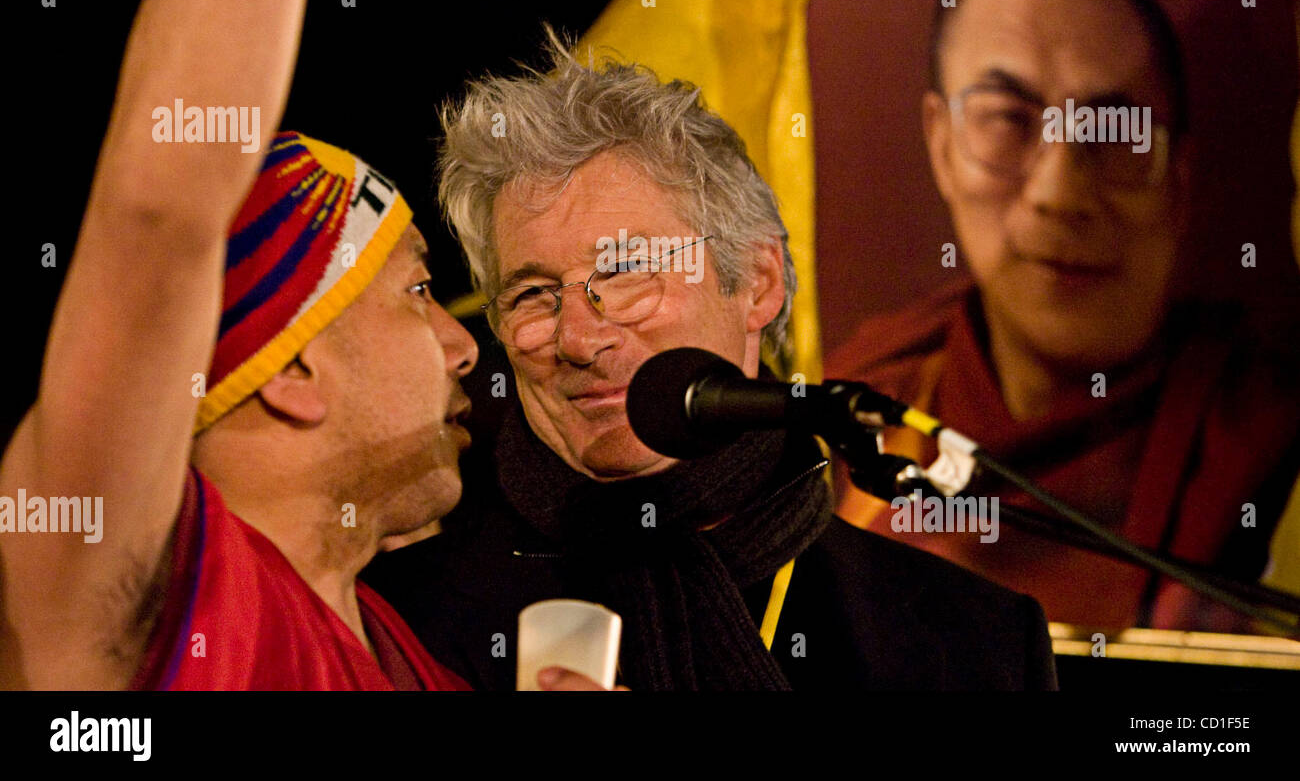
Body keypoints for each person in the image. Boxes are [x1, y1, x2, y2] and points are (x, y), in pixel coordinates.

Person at [0, 0, 598, 692]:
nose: (467, 345)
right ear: (293, 369)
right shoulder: (129, 586)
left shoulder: (425, 668)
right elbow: (159, 220)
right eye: (419, 290)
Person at [362, 38, 1059, 690]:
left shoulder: (973, 644)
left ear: (756, 284)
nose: (577, 337)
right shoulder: (389, 619)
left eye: (627, 270)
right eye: (534, 294)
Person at [824, 0, 1300, 633]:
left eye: (1114, 131)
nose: (1059, 191)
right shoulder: (858, 414)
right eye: (1008, 121)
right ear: (942, 145)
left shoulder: (1269, 435)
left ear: (1179, 181)